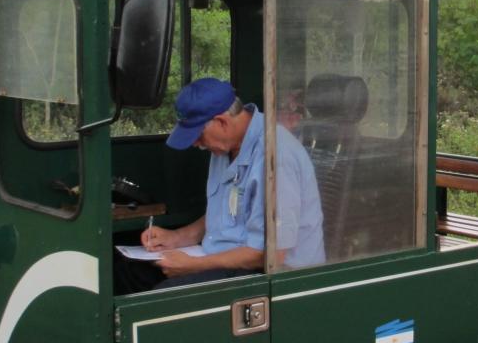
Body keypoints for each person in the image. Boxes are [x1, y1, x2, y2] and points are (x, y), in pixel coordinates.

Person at [115, 78, 324, 293]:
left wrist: (193, 266)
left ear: (222, 122)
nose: (196, 144)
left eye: (198, 135)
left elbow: (271, 254)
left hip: (272, 275)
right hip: (222, 258)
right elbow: (226, 213)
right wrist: (176, 238)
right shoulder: (225, 146)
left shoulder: (276, 156)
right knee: (127, 272)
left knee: (164, 295)